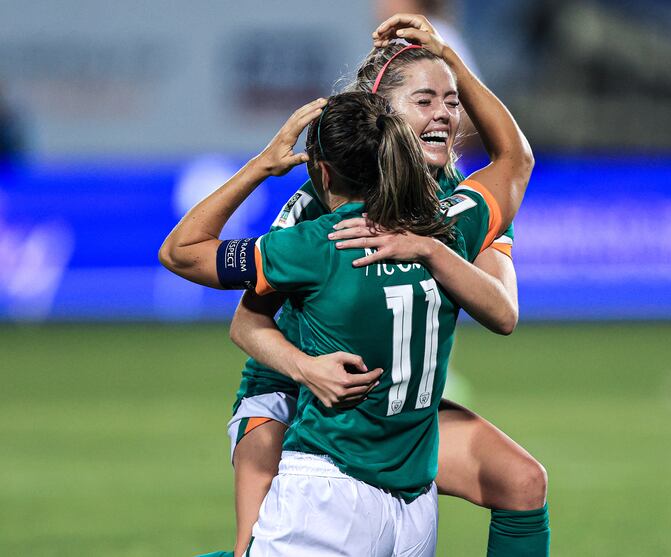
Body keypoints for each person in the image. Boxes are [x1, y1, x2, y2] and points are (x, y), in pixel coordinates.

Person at [222, 15, 548, 557]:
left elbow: (502, 309)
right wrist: (305, 370)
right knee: (248, 550)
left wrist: (429, 247)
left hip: (398, 407)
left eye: (451, 101)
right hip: (293, 399)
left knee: (521, 482)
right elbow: (248, 323)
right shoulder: (322, 204)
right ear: (382, 115)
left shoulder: (462, 202)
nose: (444, 114)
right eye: (424, 102)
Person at [159, 84, 528, 555]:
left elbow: (181, 252)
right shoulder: (450, 225)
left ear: (323, 172)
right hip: (413, 503)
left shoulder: (315, 245)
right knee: (522, 480)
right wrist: (448, 56)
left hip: (328, 488)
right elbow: (515, 161)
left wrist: (263, 165)